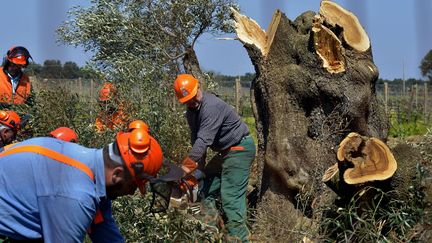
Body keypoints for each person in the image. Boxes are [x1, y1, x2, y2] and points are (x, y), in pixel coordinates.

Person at [0, 127, 163, 242]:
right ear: (117, 174)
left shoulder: (92, 169)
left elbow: (105, 233)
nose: (132, 192)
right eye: (134, 185)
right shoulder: (77, 196)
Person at [173, 74, 256, 242]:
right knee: (205, 189)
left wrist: (183, 170)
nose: (193, 102)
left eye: (194, 96)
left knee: (230, 198)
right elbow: (198, 145)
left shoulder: (211, 107)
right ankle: (213, 232)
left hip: (239, 148)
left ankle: (239, 239)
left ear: (198, 88)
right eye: (188, 100)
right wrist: (199, 172)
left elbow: (203, 141)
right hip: (224, 153)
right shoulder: (191, 114)